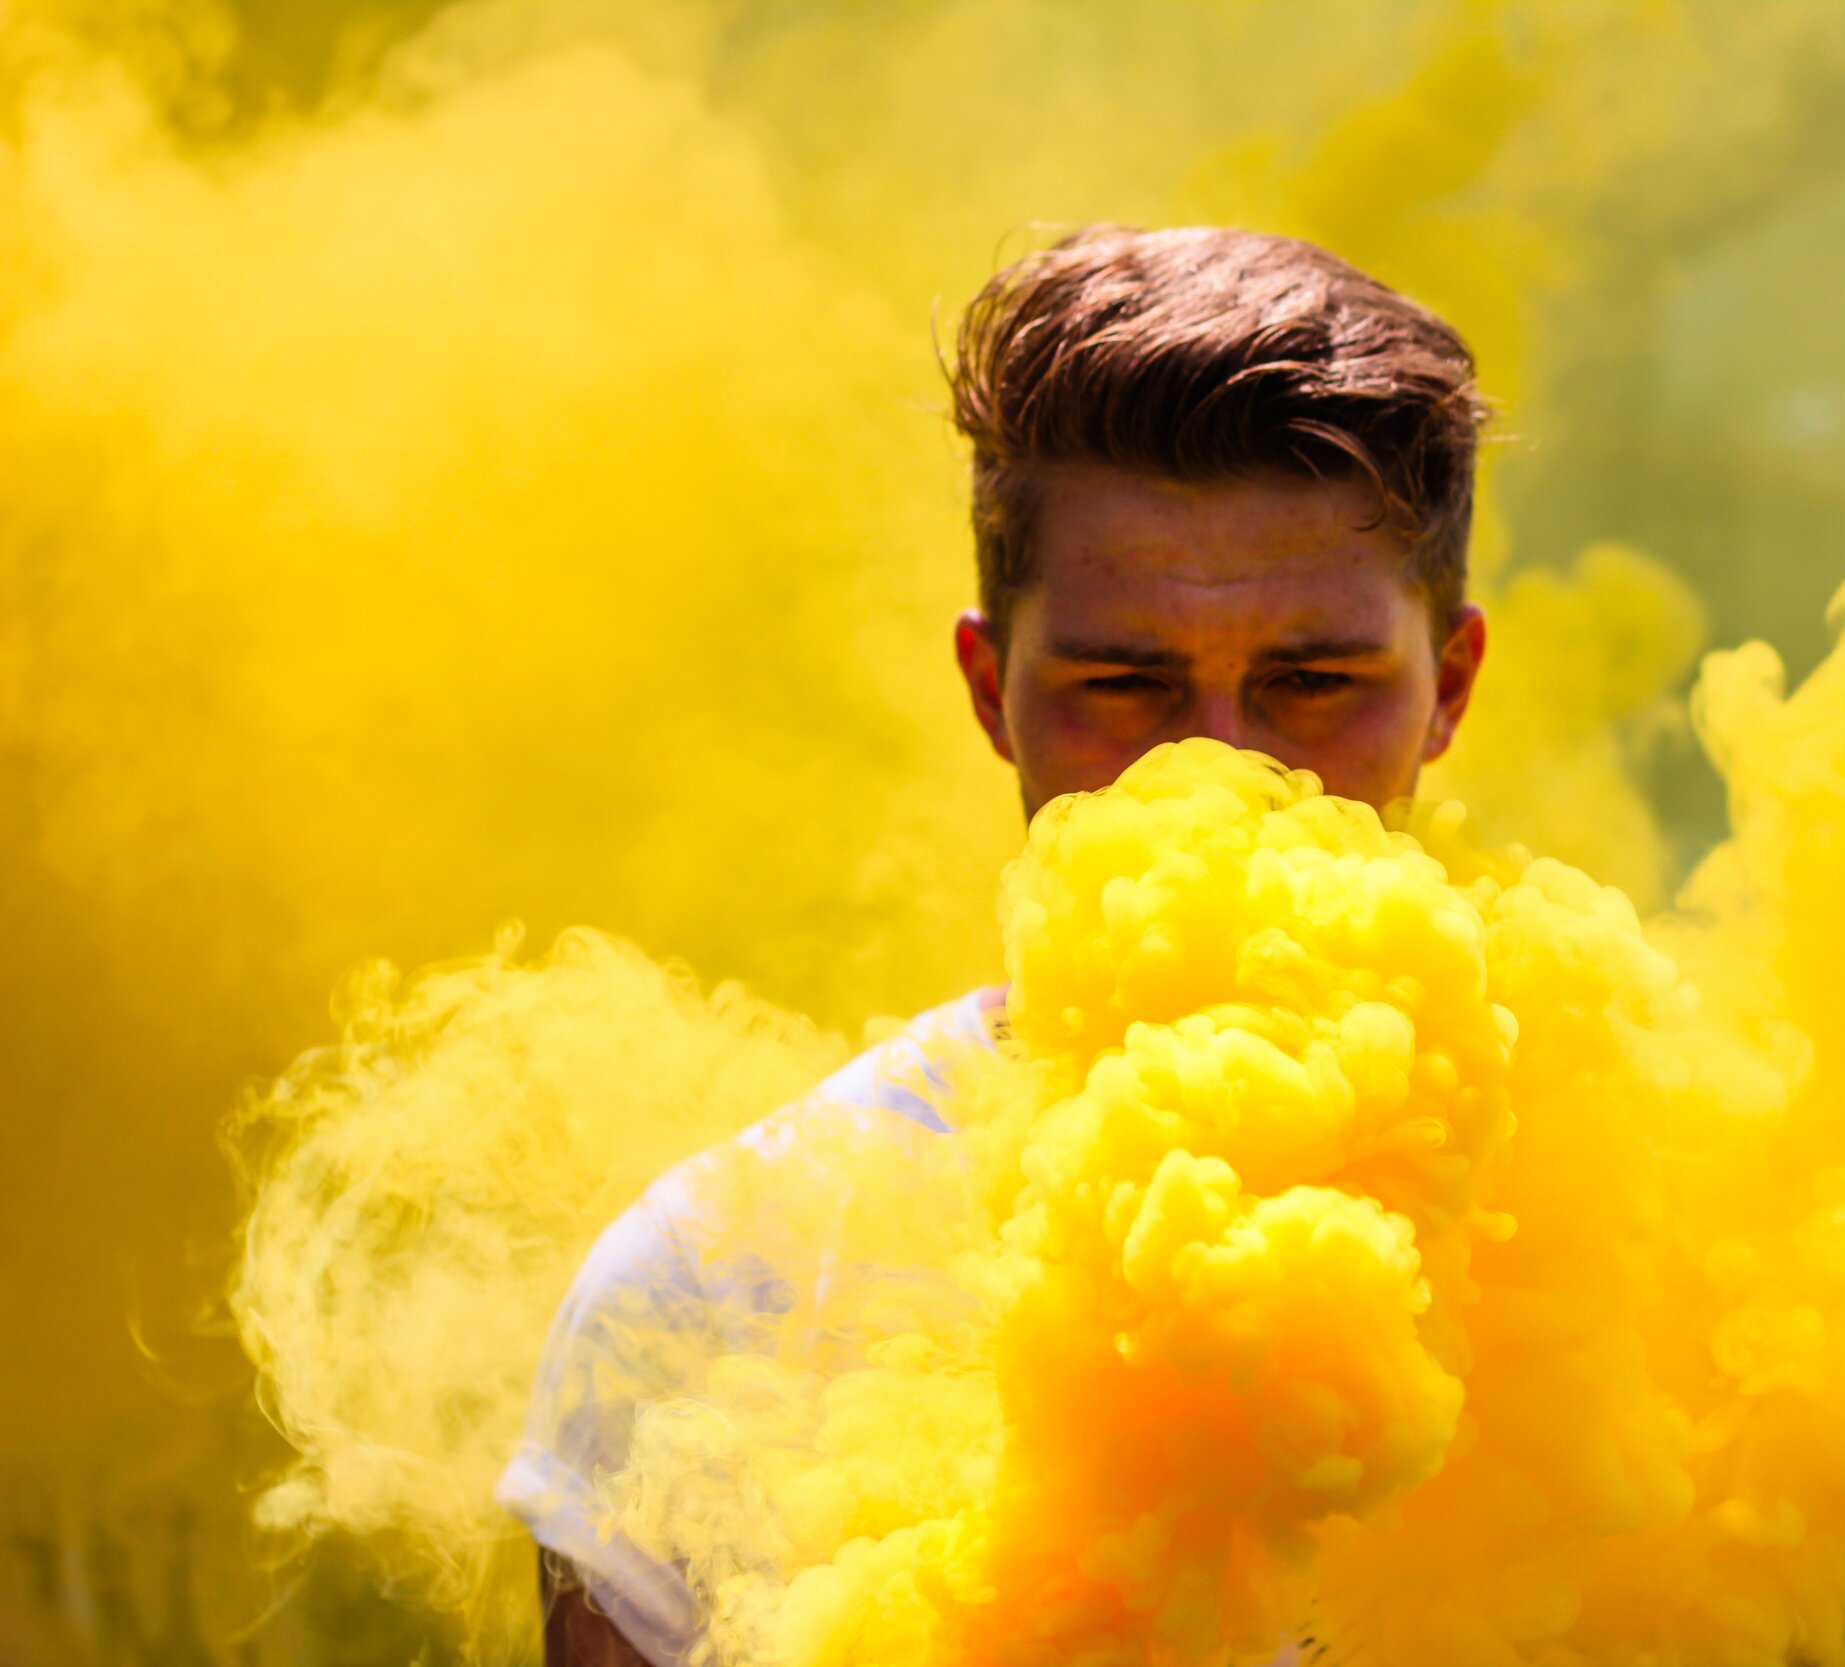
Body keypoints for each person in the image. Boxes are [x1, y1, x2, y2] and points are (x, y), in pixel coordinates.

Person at [500, 223, 1493, 1667]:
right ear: (990, 689)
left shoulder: (1669, 1261)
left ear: (1448, 686)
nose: (1212, 768)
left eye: (1313, 682)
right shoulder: (722, 1286)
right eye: (1123, 681)